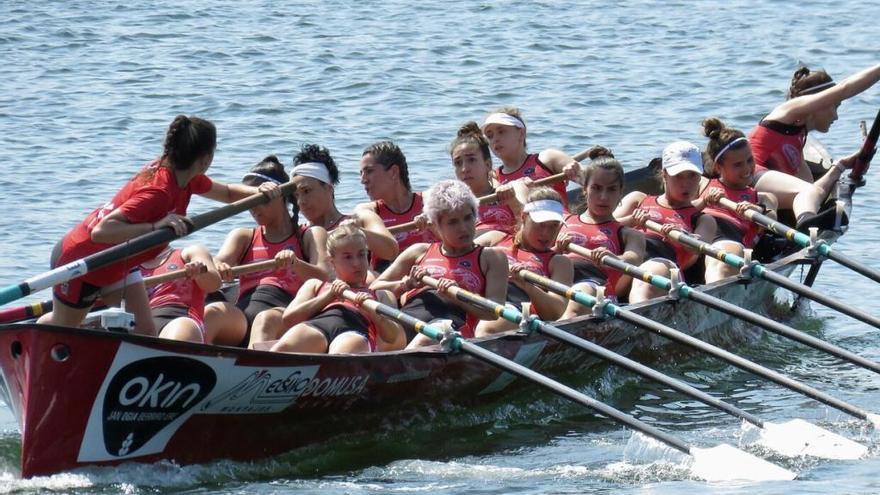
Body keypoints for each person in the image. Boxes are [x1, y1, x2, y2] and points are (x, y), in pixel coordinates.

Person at [37, 115, 280, 335]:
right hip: (82, 260)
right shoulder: (159, 191)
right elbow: (103, 231)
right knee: (63, 327)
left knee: (145, 331)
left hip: (121, 260)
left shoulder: (188, 178)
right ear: (206, 159)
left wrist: (259, 191)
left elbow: (227, 193)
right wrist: (156, 226)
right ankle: (28, 348)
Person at [204, 156, 331, 348]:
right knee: (211, 313)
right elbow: (217, 261)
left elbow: (326, 276)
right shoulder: (243, 237)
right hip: (243, 314)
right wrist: (217, 266)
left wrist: (296, 264)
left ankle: (254, 372)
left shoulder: (310, 234)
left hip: (287, 313)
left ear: (280, 196)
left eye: (258, 201)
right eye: (247, 202)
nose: (252, 208)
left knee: (265, 319)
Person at [371, 180, 508, 346]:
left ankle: (398, 362)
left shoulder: (492, 257)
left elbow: (494, 312)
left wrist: (455, 295)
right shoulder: (418, 252)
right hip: (408, 319)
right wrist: (405, 285)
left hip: (450, 325)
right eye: (453, 222)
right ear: (436, 225)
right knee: (382, 311)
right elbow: (374, 289)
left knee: (432, 333)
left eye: (467, 218)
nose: (463, 228)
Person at [749, 65, 877, 229]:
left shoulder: (799, 137)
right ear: (819, 102)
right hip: (748, 176)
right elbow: (845, 88)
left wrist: (841, 165)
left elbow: (815, 191)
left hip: (763, 191)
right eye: (835, 106)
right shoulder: (787, 111)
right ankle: (807, 226)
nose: (836, 116)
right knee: (807, 192)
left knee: (811, 193)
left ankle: (807, 223)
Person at [615, 141, 735, 300]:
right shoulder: (638, 200)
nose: (686, 184)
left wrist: (680, 237)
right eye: (678, 176)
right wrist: (631, 221)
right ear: (664, 174)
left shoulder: (703, 220)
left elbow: (696, 249)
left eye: (692, 175)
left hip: (663, 269)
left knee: (648, 274)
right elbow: (604, 230)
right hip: (625, 263)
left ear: (700, 176)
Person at [272, 223, 405, 354]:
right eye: (347, 257)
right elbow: (289, 319)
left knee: (348, 347)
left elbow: (393, 337)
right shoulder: (315, 285)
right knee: (288, 343)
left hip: (354, 330)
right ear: (332, 261)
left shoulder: (381, 294)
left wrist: (374, 314)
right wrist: (329, 296)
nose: (356, 263)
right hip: (318, 326)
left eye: (361, 254)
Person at [555, 148, 646, 318]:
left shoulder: (630, 235)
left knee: (578, 298)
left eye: (611, 190)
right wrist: (554, 251)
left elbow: (633, 259)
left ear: (621, 192)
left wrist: (614, 259)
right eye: (596, 188)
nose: (603, 197)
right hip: (557, 285)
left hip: (596, 291)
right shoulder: (562, 221)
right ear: (584, 189)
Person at [475, 188, 573, 335]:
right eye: (540, 224)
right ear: (524, 217)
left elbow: (555, 312)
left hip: (517, 309)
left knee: (487, 328)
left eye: (553, 225)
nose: (546, 233)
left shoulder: (559, 263)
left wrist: (526, 285)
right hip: (476, 301)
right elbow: (459, 257)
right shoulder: (494, 238)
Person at [291, 144, 399, 262]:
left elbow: (392, 252)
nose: (301, 201)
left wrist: (359, 232)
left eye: (306, 191)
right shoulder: (297, 234)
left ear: (329, 188)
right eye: (296, 195)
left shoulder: (362, 218)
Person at [700, 118, 780, 266]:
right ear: (718, 168)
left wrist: (757, 211)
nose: (747, 169)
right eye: (738, 165)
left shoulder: (764, 198)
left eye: (750, 160)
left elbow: (771, 219)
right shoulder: (703, 186)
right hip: (698, 244)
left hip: (733, 247)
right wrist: (703, 201)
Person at [481, 106, 583, 211]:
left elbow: (590, 179)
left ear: (521, 133)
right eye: (490, 136)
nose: (495, 139)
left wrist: (575, 171)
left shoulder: (548, 158)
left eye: (501, 132)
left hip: (561, 223)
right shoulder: (493, 178)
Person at [355, 141, 436, 270]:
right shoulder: (368, 211)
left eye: (369, 171)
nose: (363, 180)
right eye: (361, 173)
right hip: (391, 280)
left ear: (393, 172)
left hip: (432, 271)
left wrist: (434, 223)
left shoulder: (429, 200)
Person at [449, 121, 524, 244]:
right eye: (458, 163)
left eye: (471, 160)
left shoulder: (510, 190)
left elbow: (529, 224)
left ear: (487, 164)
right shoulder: (452, 207)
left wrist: (513, 201)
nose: (464, 169)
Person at [138, 244, 221, 344]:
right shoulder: (128, 263)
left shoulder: (190, 252)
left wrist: (200, 272)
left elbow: (214, 284)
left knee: (181, 329)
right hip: (139, 320)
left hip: (177, 317)